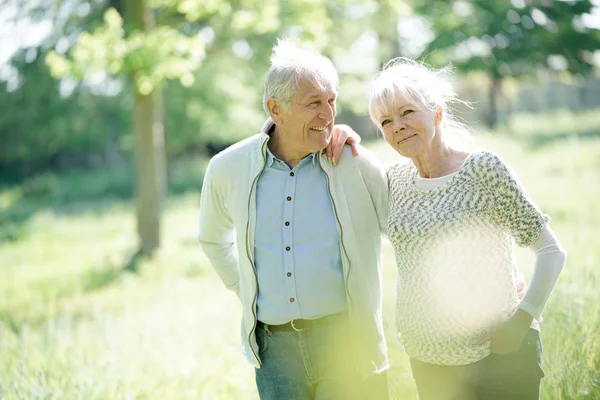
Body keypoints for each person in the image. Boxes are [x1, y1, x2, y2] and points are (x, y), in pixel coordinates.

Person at [198, 39, 390, 400]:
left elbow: (406, 230)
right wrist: (248, 288)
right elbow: (212, 238)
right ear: (276, 108)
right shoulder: (227, 167)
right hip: (276, 351)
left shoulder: (354, 164)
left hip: (345, 339)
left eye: (331, 100)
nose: (328, 115)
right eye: (314, 103)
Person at [366, 58, 567, 400]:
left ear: (437, 114)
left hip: (501, 357)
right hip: (429, 362)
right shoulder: (392, 182)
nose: (397, 126)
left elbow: (550, 250)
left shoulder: (481, 170)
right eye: (386, 121)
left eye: (408, 112)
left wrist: (522, 320)